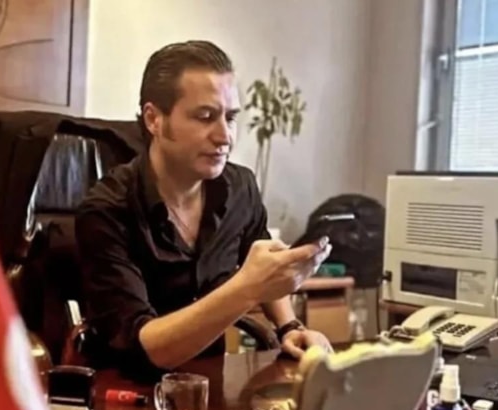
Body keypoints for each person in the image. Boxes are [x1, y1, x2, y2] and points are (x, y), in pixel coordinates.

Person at [75, 40, 333, 373]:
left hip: (210, 382)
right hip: (126, 389)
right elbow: (145, 347)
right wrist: (246, 288)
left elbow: (260, 260)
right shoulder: (106, 211)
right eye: (205, 117)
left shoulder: (240, 188)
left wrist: (290, 327)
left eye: (231, 117)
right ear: (154, 119)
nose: (225, 137)